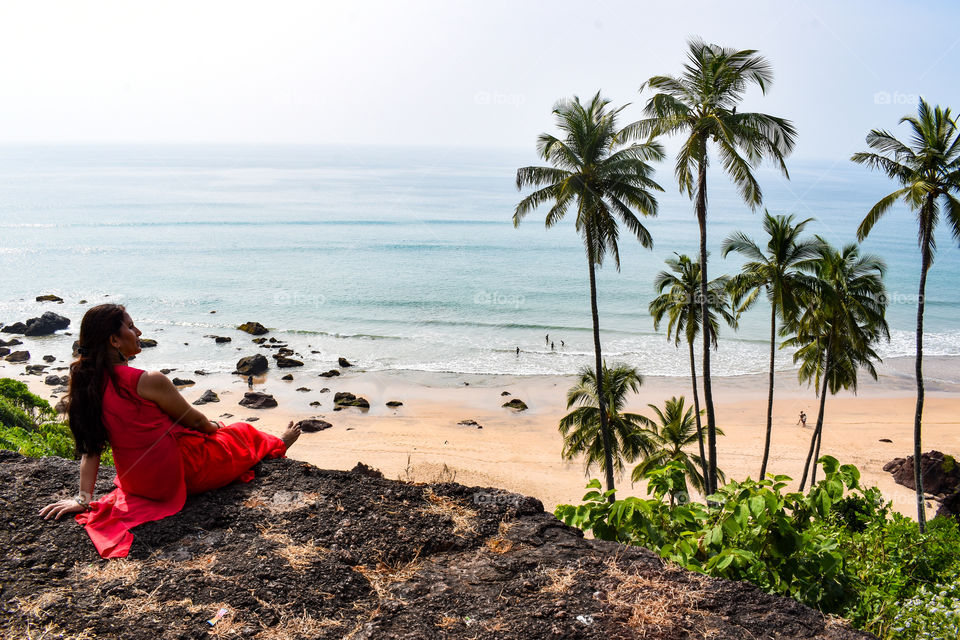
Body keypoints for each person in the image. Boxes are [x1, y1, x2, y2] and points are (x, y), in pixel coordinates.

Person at [39, 304, 301, 558]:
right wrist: (215, 427)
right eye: (131, 327)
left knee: (228, 434)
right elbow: (197, 422)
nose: (139, 332)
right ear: (114, 341)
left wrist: (83, 500)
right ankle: (278, 444)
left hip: (137, 483)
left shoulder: (88, 384)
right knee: (241, 431)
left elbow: (91, 450)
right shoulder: (148, 380)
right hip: (178, 475)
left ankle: (271, 443)